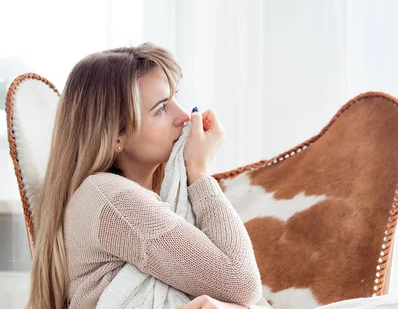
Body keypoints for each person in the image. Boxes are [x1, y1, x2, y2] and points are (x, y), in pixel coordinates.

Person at [27, 43, 270, 309]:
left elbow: (247, 295)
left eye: (175, 98)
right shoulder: (112, 199)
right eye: (162, 108)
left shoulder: (141, 198)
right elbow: (243, 284)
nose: (184, 117)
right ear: (117, 135)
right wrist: (199, 173)